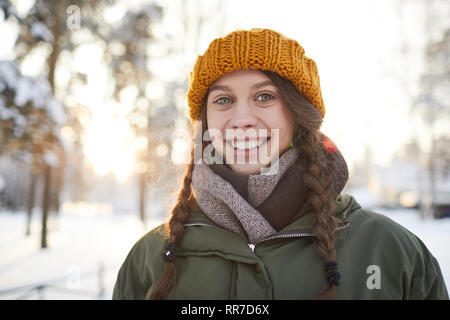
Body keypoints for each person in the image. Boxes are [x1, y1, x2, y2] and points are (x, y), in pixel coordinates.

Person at [112, 28, 449, 300]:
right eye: (223, 100)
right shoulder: (151, 258)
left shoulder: (388, 250)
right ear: (206, 123)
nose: (242, 119)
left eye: (265, 96)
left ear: (298, 115)